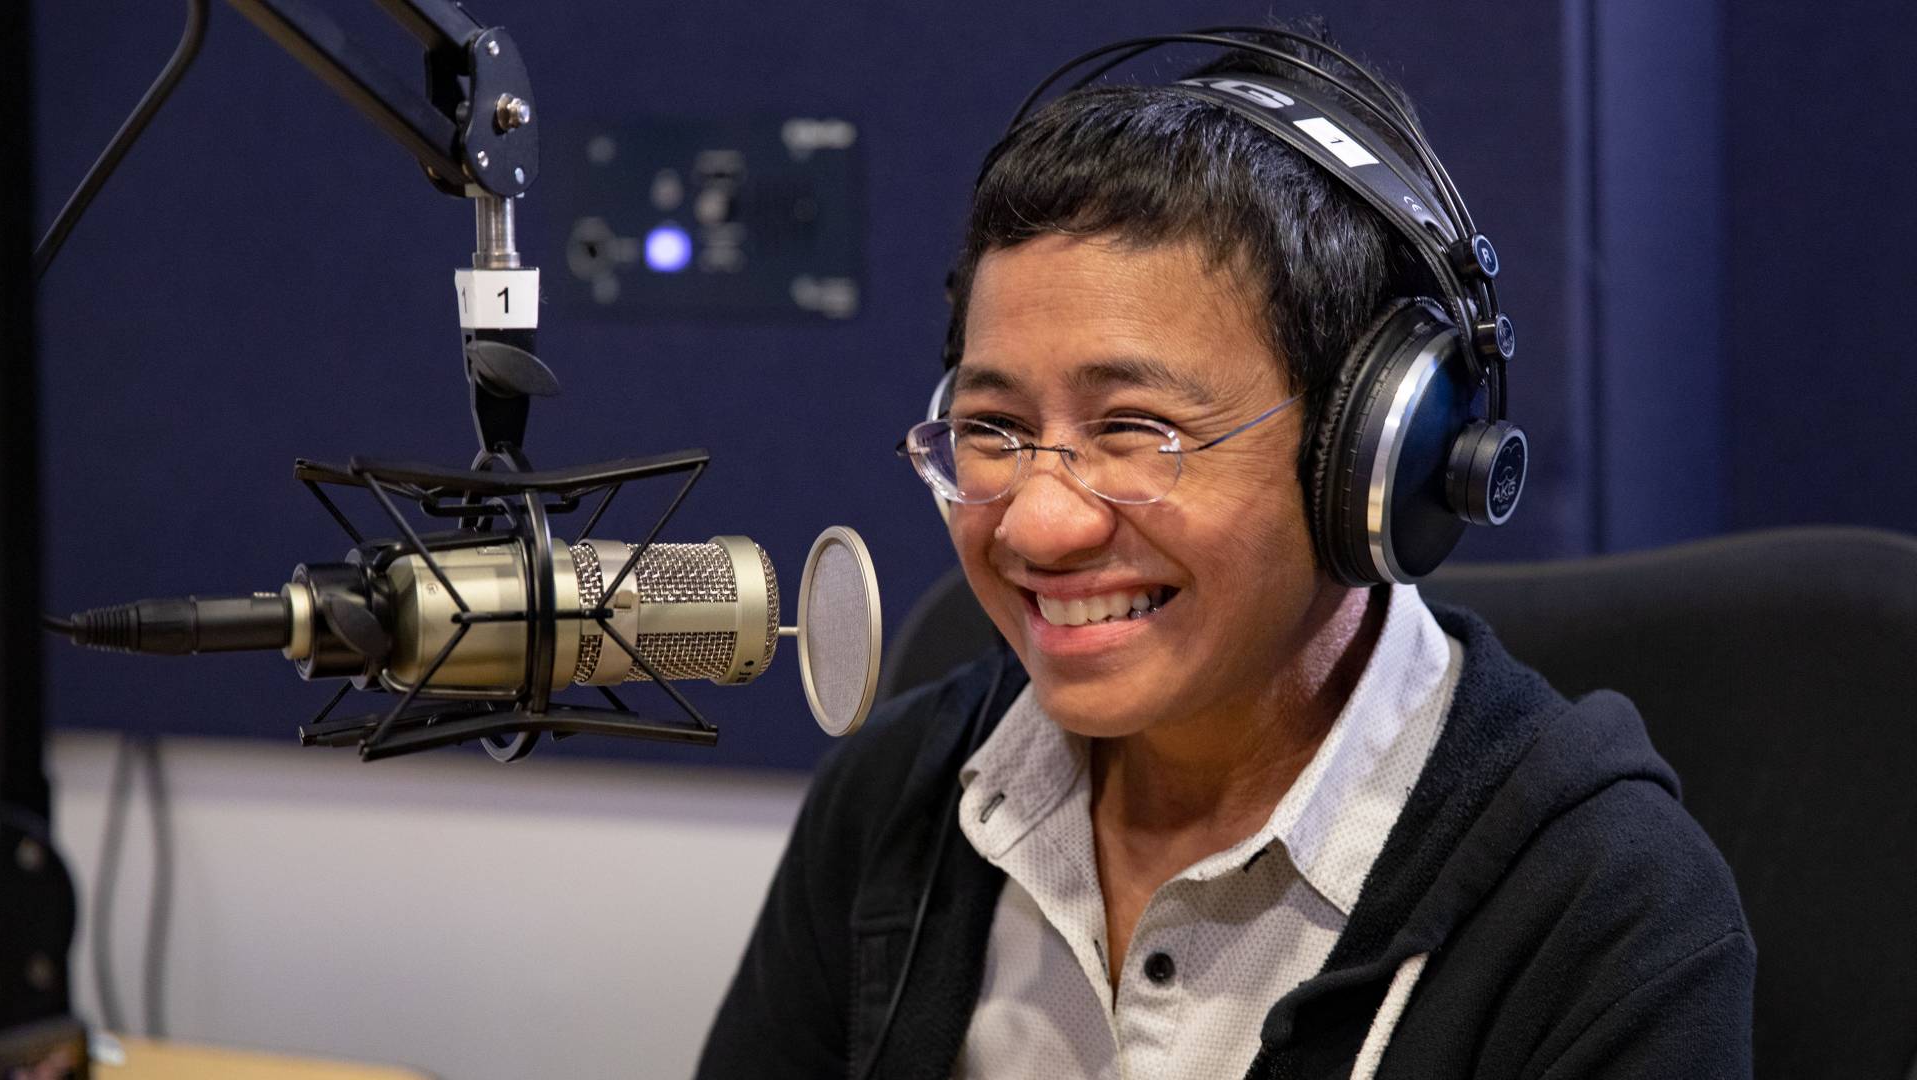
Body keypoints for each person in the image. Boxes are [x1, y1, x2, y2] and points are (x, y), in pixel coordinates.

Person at [697, 24, 1753, 1080]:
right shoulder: (896, 802)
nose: (1034, 524)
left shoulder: (1607, 908)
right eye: (994, 431)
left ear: (1366, 462)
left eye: (1134, 432)